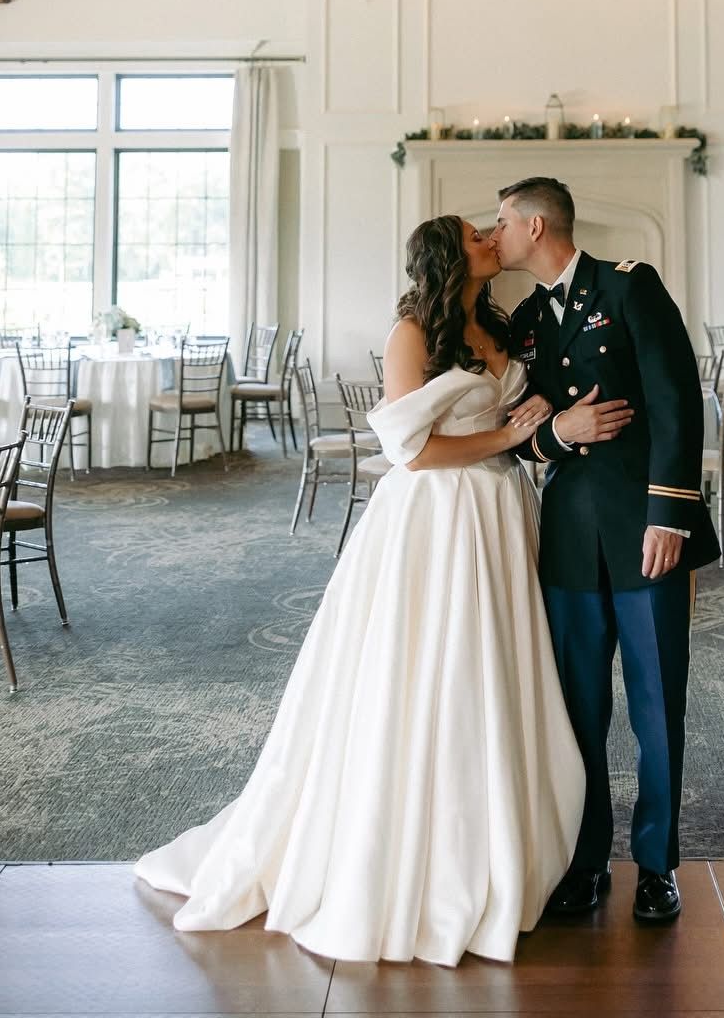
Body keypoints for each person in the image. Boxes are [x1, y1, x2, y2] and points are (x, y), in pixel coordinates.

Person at [136, 216, 598, 966]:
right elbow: (412, 453)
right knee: (431, 670)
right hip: (438, 518)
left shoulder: (503, 324)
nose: (492, 235)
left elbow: (517, 413)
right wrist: (510, 438)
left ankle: (502, 838)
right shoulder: (412, 334)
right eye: (477, 232)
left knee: (498, 668)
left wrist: (536, 420)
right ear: (452, 256)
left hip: (501, 515)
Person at [493, 177, 719, 927]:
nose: (495, 235)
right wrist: (558, 432)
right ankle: (585, 861)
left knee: (657, 708)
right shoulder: (525, 321)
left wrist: (670, 517)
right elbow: (518, 425)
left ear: (534, 225)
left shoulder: (629, 288)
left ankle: (656, 866)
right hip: (566, 539)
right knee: (577, 709)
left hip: (644, 534)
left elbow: (676, 398)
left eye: (501, 222)